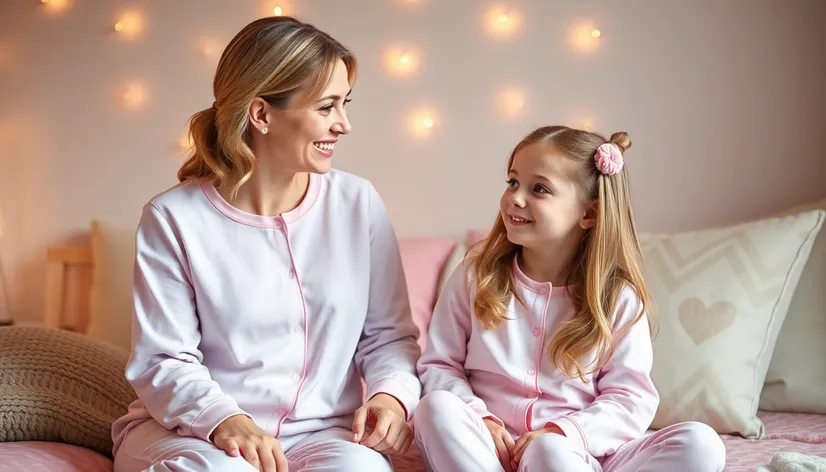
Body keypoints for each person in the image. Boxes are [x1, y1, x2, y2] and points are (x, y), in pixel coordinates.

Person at [111, 16, 422, 472]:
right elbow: (164, 359)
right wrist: (225, 419)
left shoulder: (359, 203)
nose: (344, 125)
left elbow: (388, 337)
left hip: (324, 434)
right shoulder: (173, 217)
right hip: (196, 434)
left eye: (344, 104)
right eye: (326, 107)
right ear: (261, 114)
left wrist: (390, 397)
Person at [413, 125, 726, 471]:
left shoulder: (616, 298)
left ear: (589, 214)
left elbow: (630, 398)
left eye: (540, 189)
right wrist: (480, 418)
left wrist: (565, 432)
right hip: (489, 454)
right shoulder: (476, 275)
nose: (515, 198)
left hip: (583, 455)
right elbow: (439, 365)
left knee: (701, 444)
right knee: (435, 407)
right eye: (513, 182)